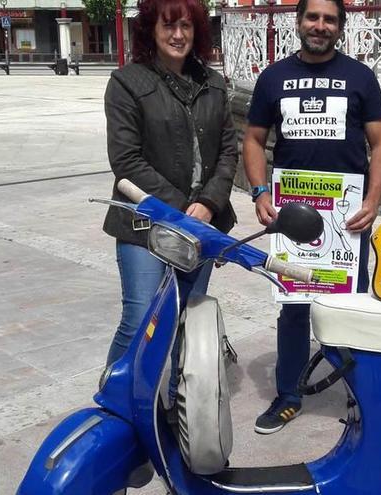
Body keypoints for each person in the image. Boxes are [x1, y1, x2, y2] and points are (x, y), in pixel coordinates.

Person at [243, 0, 381, 434]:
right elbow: (253, 140)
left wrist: (374, 199)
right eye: (313, 17)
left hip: (347, 217)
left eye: (329, 19)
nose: (320, 26)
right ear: (299, 21)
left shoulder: (360, 77)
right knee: (293, 305)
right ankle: (288, 395)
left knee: (349, 304)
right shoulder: (273, 78)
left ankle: (358, 394)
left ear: (340, 27)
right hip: (292, 213)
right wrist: (258, 191)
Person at [102, 0, 237, 367]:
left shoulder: (213, 83)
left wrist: (208, 204)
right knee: (141, 318)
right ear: (151, 29)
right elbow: (126, 161)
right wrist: (182, 210)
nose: (178, 35)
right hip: (144, 223)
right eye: (168, 26)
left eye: (186, 26)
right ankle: (117, 401)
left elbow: (228, 153)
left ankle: (169, 405)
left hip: (199, 225)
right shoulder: (127, 83)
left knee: (184, 322)